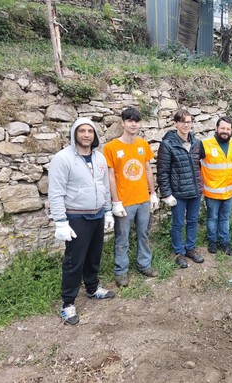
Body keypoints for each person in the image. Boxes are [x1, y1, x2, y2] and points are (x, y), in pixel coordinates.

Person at [48, 117, 115, 325]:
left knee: (94, 256)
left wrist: (108, 211)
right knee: (74, 261)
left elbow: (103, 186)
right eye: (82, 131)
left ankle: (92, 288)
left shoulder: (100, 158)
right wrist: (61, 221)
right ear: (74, 133)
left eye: (90, 131)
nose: (86, 135)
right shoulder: (63, 158)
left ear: (94, 135)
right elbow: (56, 192)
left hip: (97, 214)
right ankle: (68, 303)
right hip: (76, 217)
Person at [103, 108, 159, 288]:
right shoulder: (111, 147)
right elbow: (110, 175)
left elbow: (148, 169)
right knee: (122, 238)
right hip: (125, 202)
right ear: (123, 123)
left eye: (136, 121)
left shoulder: (143, 144)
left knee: (143, 234)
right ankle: (121, 271)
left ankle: (144, 265)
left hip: (143, 199)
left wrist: (153, 193)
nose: (133, 124)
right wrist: (115, 201)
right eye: (129, 121)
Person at [156, 110, 204, 268]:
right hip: (178, 192)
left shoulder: (196, 143)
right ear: (175, 123)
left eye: (189, 122)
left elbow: (199, 164)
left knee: (192, 221)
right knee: (177, 223)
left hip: (194, 191)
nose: (186, 125)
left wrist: (200, 185)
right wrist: (166, 194)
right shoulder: (168, 144)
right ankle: (178, 252)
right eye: (183, 121)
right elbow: (163, 171)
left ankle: (190, 248)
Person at [200, 116, 232, 256]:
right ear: (216, 128)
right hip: (212, 191)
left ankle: (225, 242)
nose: (225, 131)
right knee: (212, 218)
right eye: (222, 128)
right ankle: (212, 241)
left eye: (228, 129)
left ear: (231, 130)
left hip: (229, 191)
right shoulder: (205, 144)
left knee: (225, 218)